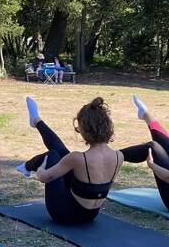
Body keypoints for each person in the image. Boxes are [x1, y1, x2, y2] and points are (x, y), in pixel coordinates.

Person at [18, 96, 123, 224]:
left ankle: (28, 166)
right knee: (63, 154)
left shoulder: (77, 158)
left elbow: (44, 178)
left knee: (53, 154)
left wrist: (40, 169)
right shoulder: (119, 156)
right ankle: (36, 121)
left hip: (64, 214)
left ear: (84, 130)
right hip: (91, 215)